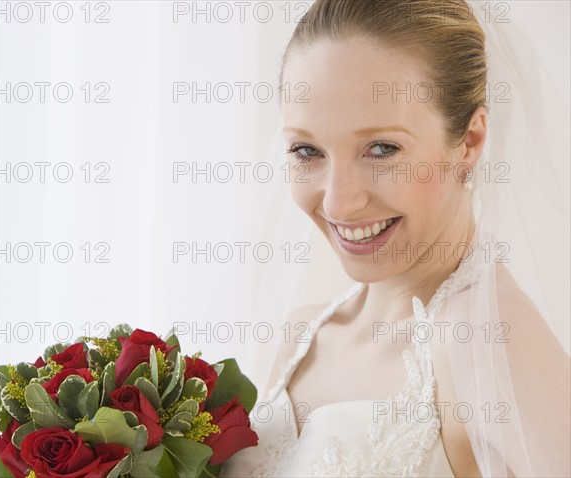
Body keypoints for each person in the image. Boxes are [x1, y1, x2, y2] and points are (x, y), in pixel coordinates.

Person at [222, 0, 570, 476]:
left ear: (469, 140)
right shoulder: (294, 339)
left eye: (382, 149)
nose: (339, 203)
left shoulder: (485, 338)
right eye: (307, 150)